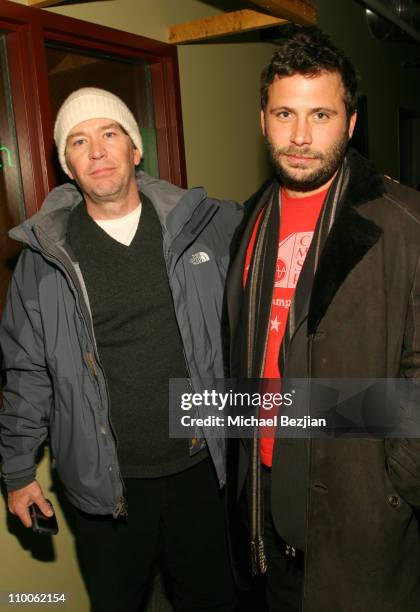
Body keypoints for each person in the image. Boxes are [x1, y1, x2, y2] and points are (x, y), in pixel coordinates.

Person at [0, 87, 242, 612]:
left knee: (215, 600)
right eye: (79, 142)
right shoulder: (43, 260)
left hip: (202, 467)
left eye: (110, 134)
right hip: (103, 484)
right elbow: (25, 373)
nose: (97, 151)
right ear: (67, 165)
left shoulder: (207, 226)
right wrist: (18, 473)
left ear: (135, 149)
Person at [226, 25, 420, 612]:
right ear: (262, 120)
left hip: (360, 515)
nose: (301, 137)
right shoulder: (250, 223)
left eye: (322, 115)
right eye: (285, 114)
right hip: (267, 509)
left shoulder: (402, 223)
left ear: (352, 123)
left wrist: (398, 485)